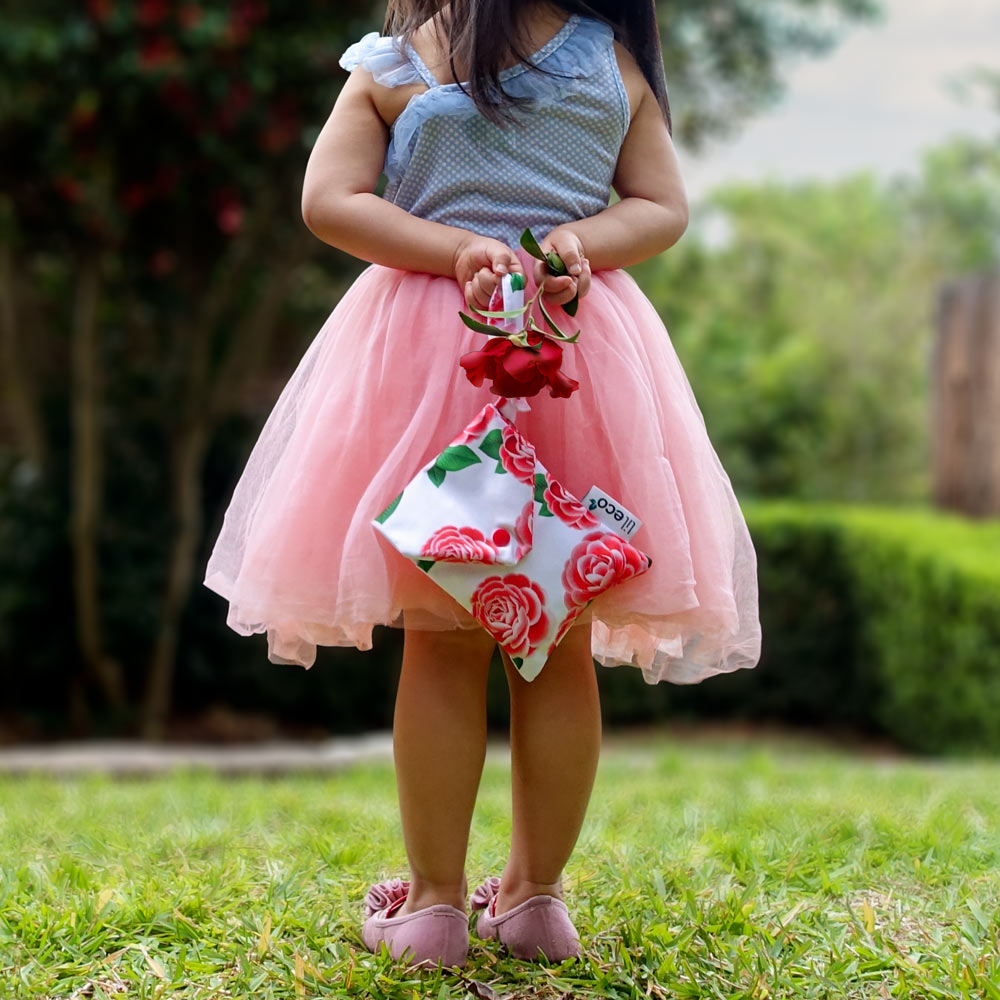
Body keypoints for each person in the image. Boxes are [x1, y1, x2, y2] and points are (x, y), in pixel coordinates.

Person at [202, 0, 762, 970]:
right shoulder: (610, 62)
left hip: (425, 359)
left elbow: (330, 199)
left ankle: (432, 907)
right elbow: (661, 207)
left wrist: (454, 247)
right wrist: (579, 241)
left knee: (440, 642)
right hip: (574, 350)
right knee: (556, 643)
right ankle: (536, 899)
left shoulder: (399, 58)